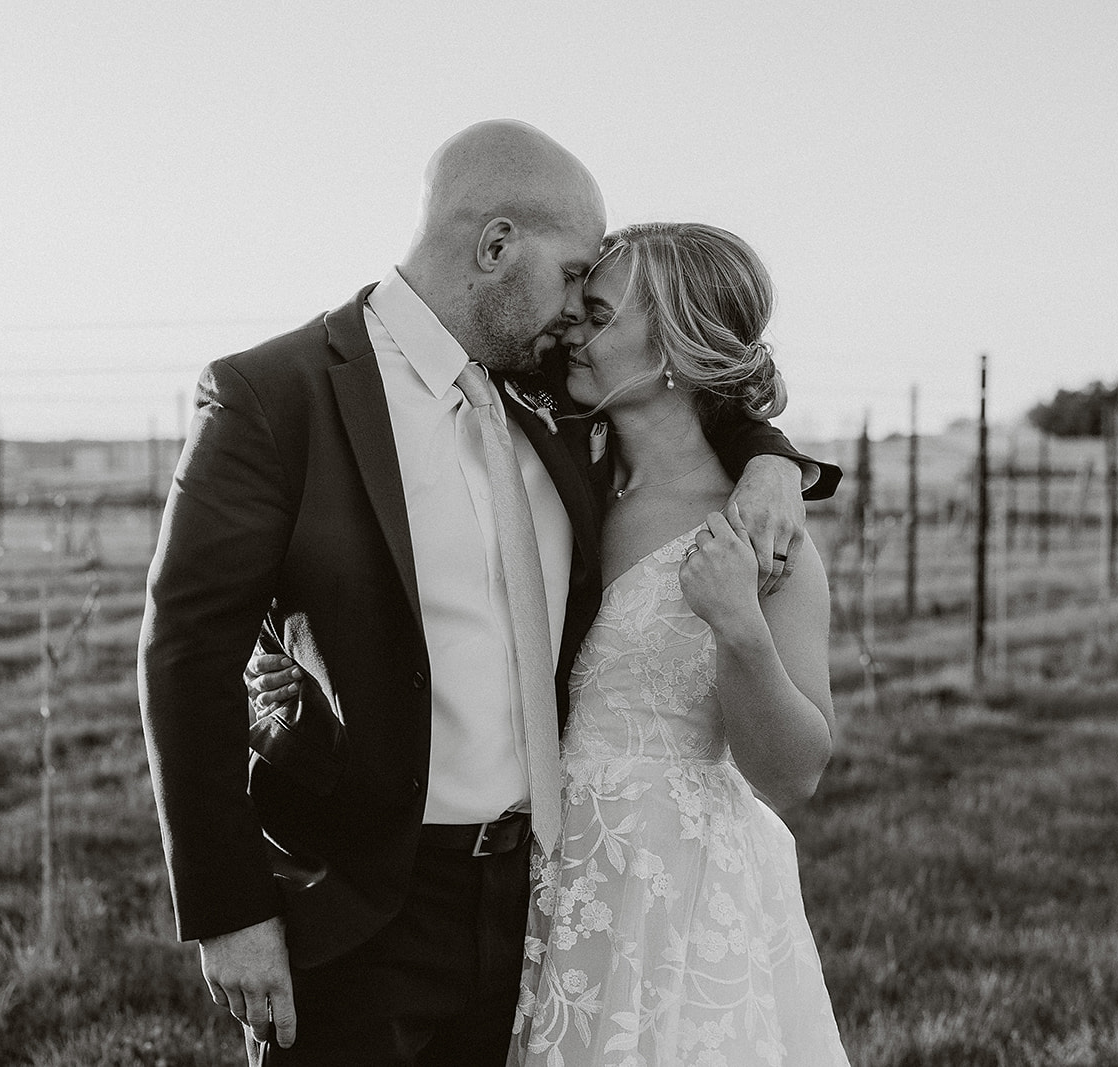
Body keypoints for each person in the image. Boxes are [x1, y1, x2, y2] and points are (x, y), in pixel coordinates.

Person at [138, 120, 840, 1067]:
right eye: (571, 280)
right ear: (497, 245)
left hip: (539, 907)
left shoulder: (550, 389)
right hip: (360, 905)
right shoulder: (276, 397)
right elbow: (186, 656)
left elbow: (690, 390)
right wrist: (231, 910)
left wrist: (772, 464)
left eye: (595, 303)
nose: (575, 315)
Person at [511, 222, 849, 1064]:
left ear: (675, 345)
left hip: (677, 887)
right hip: (543, 873)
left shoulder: (759, 533)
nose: (571, 331)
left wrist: (739, 628)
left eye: (597, 313)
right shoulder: (563, 473)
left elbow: (795, 769)